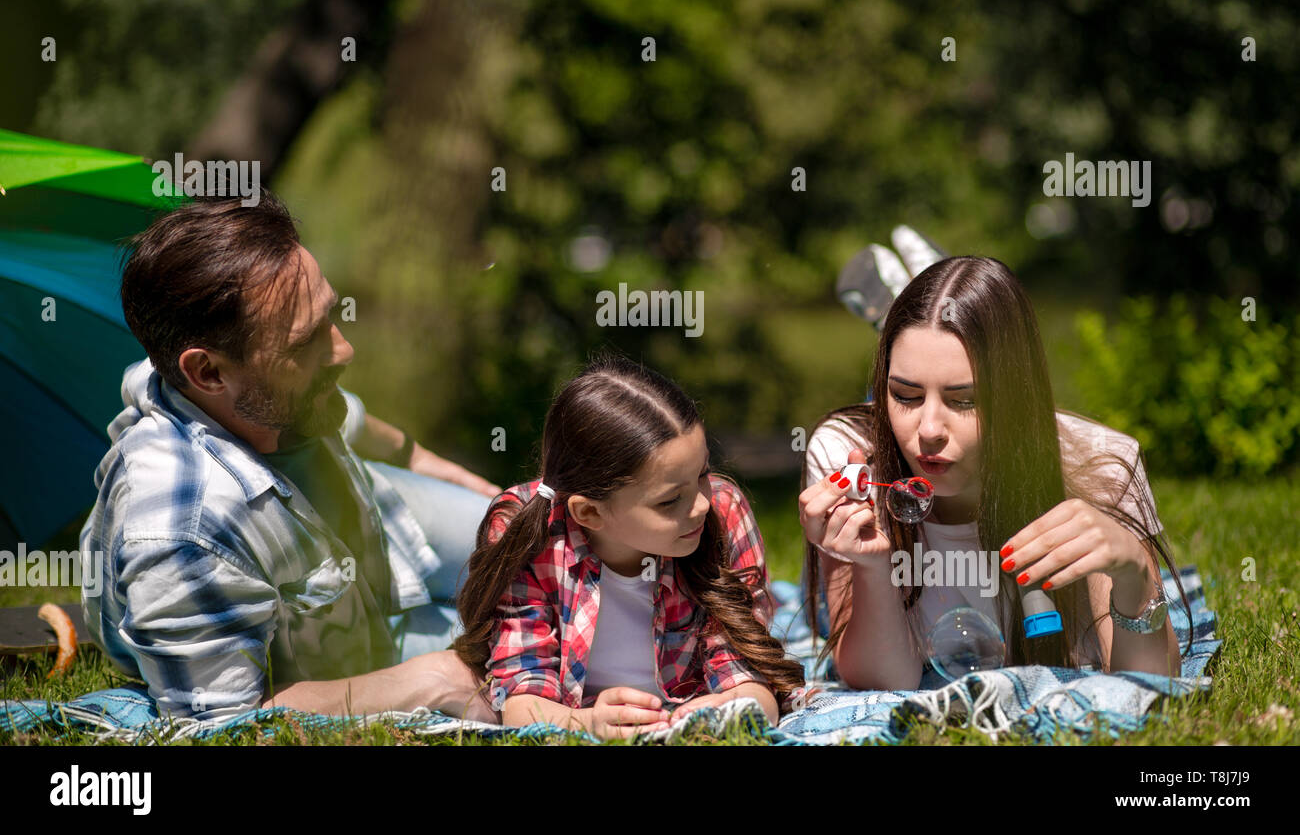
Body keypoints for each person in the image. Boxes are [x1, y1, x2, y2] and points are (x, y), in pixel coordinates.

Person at [80, 191, 501, 722]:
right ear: (208, 373)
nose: (344, 350)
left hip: (383, 522)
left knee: (559, 544)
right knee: (557, 660)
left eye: (330, 314)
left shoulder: (268, 393)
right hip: (348, 656)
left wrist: (440, 469)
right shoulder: (179, 533)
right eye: (306, 344)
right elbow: (226, 725)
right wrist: (434, 680)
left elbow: (356, 421)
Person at [798, 256, 1190, 691]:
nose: (928, 431)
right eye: (904, 395)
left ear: (1015, 398)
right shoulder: (848, 456)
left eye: (964, 400)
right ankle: (910, 315)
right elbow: (884, 683)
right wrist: (871, 567)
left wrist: (1133, 575)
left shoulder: (1100, 467)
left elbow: (1148, 685)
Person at [452, 355, 804, 739]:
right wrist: (588, 724)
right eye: (670, 501)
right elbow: (522, 699)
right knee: (437, 673)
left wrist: (727, 708)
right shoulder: (526, 534)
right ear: (589, 512)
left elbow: (750, 680)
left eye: (702, 473)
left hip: (681, 701)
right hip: (571, 700)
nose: (702, 503)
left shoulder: (723, 510)